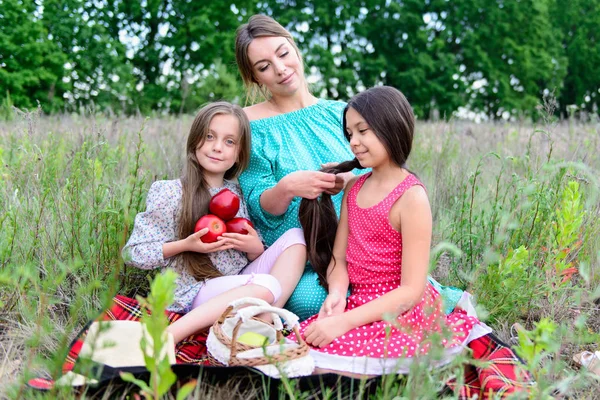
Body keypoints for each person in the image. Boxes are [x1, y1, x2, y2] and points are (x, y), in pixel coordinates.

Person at [234, 15, 464, 321]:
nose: (280, 68)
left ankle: (376, 309)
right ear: (254, 78)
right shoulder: (250, 125)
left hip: (366, 250)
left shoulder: (341, 113)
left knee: (395, 288)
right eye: (264, 66)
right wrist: (288, 187)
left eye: (283, 53)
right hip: (305, 255)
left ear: (294, 47)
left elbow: (384, 172)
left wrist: (350, 179)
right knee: (310, 302)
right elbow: (257, 204)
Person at [297, 86, 491, 375]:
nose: (354, 142)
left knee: (327, 369)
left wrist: (343, 323)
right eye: (350, 133)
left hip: (402, 312)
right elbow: (339, 258)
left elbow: (411, 290)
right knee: (299, 351)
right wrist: (337, 293)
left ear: (391, 127)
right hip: (359, 302)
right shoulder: (354, 188)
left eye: (363, 131)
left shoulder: (411, 197)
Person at [122, 102, 307, 344]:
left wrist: (254, 248)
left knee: (296, 237)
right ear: (195, 140)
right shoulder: (170, 192)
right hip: (195, 291)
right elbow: (134, 253)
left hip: (241, 283)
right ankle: (170, 336)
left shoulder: (237, 193)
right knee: (266, 284)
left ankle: (260, 324)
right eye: (210, 137)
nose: (218, 147)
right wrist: (186, 245)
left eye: (229, 141)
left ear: (239, 153)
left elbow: (247, 257)